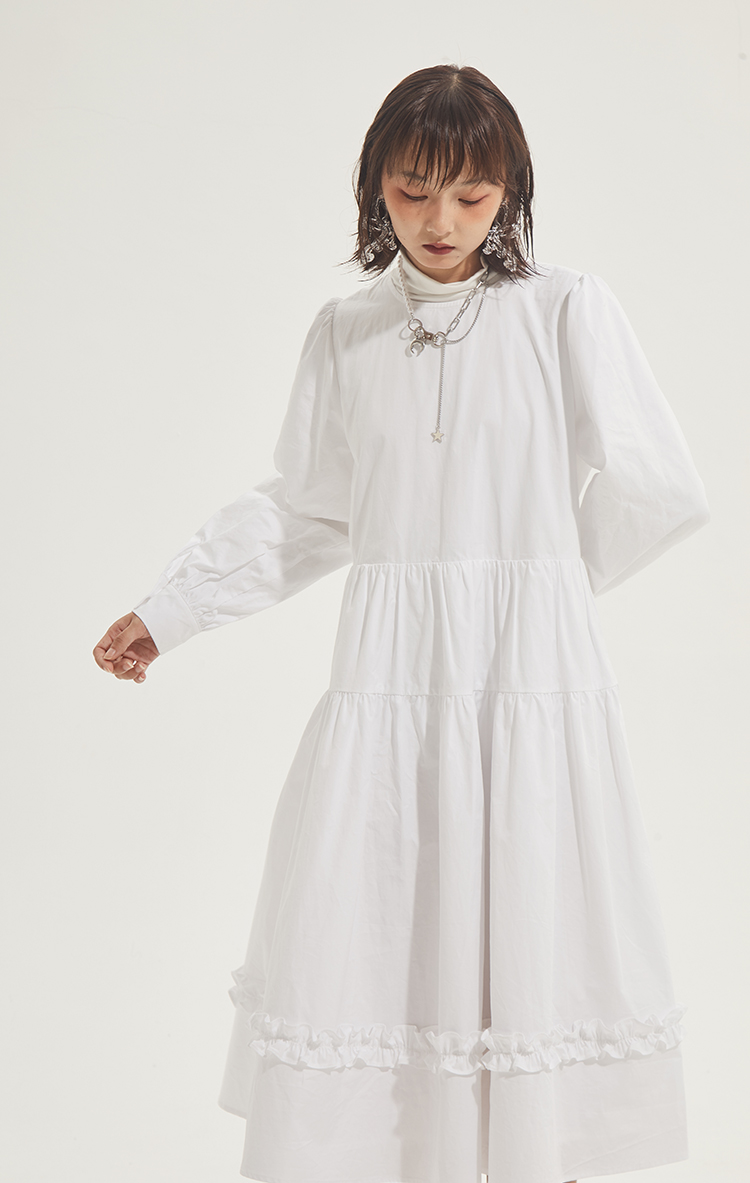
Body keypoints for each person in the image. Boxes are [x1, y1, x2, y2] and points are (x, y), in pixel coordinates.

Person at [93, 64, 710, 1183]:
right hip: (391, 691)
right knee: (382, 933)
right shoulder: (347, 332)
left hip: (524, 691)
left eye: (471, 195)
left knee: (525, 942)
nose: (440, 220)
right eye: (414, 189)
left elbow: (661, 483)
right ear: (374, 183)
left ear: (510, 190)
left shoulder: (564, 310)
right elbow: (309, 508)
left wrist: (544, 595)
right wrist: (171, 607)